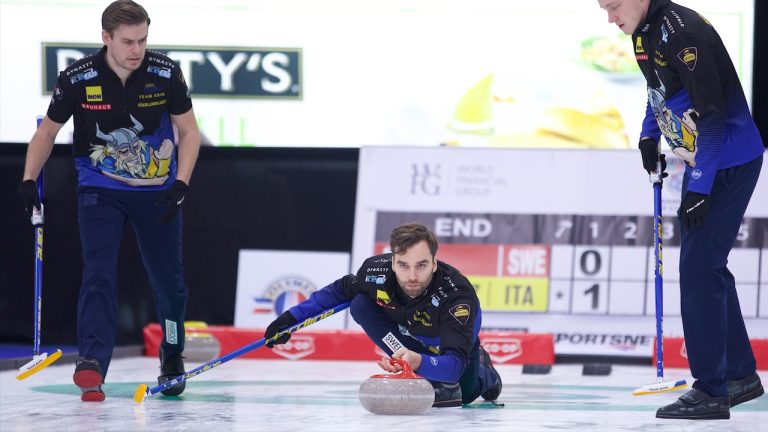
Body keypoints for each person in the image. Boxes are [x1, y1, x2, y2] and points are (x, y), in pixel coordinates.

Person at [19, 0, 200, 402]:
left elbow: (188, 132)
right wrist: (29, 179)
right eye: (127, 41)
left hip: (159, 195)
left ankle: (172, 356)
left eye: (143, 40)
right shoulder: (78, 78)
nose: (137, 49)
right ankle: (92, 364)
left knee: (170, 285)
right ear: (106, 39)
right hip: (100, 190)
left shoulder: (165, 71)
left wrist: (181, 184)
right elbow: (47, 133)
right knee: (99, 273)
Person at [597, 0, 764, 420]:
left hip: (729, 158)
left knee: (697, 269)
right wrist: (648, 136)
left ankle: (710, 389)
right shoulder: (643, 33)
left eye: (614, 6)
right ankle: (740, 374)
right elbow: (662, 92)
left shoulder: (682, 32)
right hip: (705, 160)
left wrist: (701, 186)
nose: (610, 17)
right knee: (706, 265)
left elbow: (712, 115)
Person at [264, 222, 502, 406]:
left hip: (450, 345)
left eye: (421, 265)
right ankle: (413, 364)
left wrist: (418, 360)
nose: (411, 276)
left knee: (465, 394)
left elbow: (453, 366)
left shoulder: (457, 296)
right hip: (409, 336)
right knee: (359, 304)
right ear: (393, 261)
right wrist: (290, 320)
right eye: (403, 265)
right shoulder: (375, 272)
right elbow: (338, 291)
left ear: (434, 263)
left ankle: (483, 370)